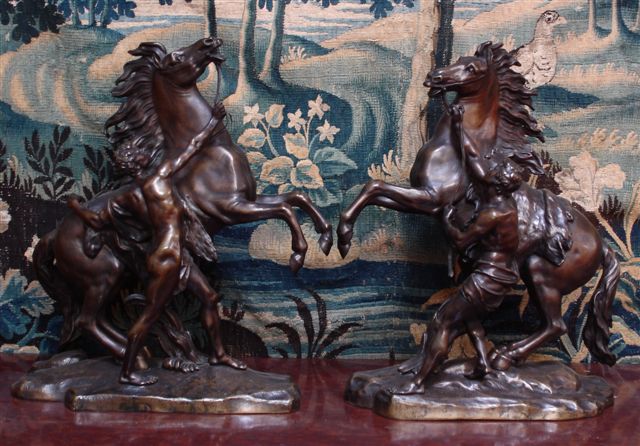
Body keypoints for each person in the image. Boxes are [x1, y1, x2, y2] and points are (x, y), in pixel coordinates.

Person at [69, 103, 230, 385]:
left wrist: (76, 208)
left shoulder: (126, 197)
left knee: (210, 297)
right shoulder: (158, 178)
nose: (146, 152)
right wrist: (212, 122)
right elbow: (190, 148)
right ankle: (128, 372)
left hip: (178, 254)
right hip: (166, 257)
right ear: (138, 162)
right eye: (140, 151)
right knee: (150, 316)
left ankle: (218, 354)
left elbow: (97, 220)